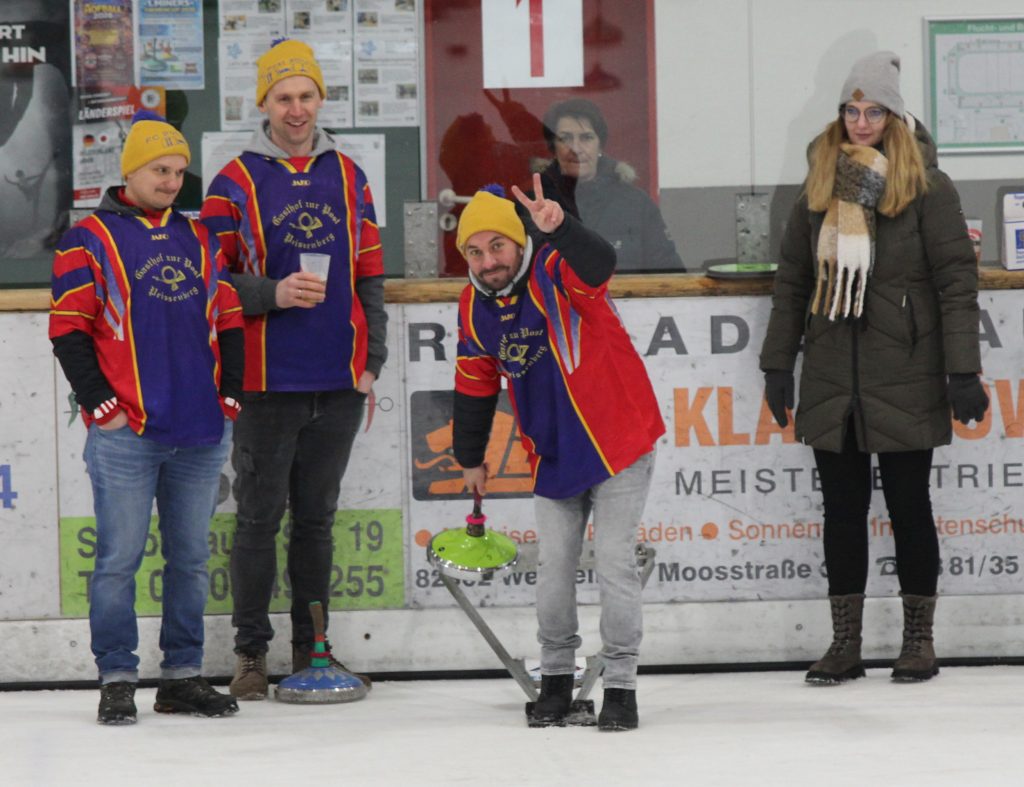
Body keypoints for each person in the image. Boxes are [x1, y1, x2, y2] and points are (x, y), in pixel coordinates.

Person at [758, 51, 988, 685]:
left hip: (907, 366)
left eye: (874, 111)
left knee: (911, 506)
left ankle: (918, 640)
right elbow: (794, 281)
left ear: (894, 114)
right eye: (851, 110)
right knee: (841, 510)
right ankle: (846, 644)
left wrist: (961, 372)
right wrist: (778, 365)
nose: (860, 122)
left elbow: (956, 283)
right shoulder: (819, 182)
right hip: (834, 369)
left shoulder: (928, 188)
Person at [201, 38, 386, 700]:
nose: (297, 108)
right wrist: (270, 293)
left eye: (307, 95)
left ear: (320, 99)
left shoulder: (349, 175)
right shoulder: (235, 180)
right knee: (257, 519)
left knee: (316, 522)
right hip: (264, 382)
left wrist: (374, 359)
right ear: (264, 104)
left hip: (336, 383)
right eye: (284, 97)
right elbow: (209, 282)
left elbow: (369, 271)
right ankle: (251, 654)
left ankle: (315, 651)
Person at [49, 110, 245, 724]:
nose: (171, 181)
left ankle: (182, 676)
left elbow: (230, 317)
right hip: (126, 433)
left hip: (200, 432)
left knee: (189, 560)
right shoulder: (87, 240)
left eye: (179, 171)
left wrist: (231, 393)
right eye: (160, 169)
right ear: (130, 171)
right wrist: (96, 401)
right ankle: (116, 676)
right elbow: (68, 330)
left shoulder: (200, 238)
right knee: (118, 561)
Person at [452, 175, 664, 731]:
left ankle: (620, 687)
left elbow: (598, 266)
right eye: (474, 251)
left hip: (617, 440)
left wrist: (561, 228)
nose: (488, 260)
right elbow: (475, 380)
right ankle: (554, 679)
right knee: (553, 569)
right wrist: (470, 454)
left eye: (497, 245)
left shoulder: (553, 269)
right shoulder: (473, 306)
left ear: (517, 242)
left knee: (615, 563)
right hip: (552, 454)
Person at [538, 98, 683, 272]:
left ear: (600, 146)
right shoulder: (534, 204)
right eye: (565, 138)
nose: (576, 148)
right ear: (553, 148)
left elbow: (670, 274)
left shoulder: (636, 204)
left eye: (586, 138)